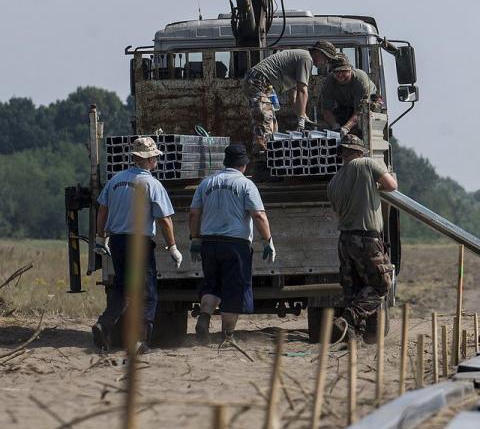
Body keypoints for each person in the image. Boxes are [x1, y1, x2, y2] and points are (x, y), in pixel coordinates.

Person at [92, 136, 182, 353]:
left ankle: (104, 324)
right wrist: (172, 247)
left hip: (119, 242)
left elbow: (102, 209)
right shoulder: (152, 184)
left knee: (125, 287)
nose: (156, 162)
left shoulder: (116, 180)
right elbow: (164, 219)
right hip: (139, 244)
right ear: (149, 160)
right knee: (147, 291)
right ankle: (140, 341)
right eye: (154, 158)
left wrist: (100, 236)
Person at [187, 144, 274, 345]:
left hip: (209, 243)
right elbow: (258, 215)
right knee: (234, 290)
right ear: (243, 165)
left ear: (225, 162)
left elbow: (193, 213)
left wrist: (195, 239)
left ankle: (204, 317)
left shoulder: (206, 183)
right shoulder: (246, 185)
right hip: (236, 245)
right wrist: (268, 241)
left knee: (212, 284)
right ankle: (227, 336)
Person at [326, 134, 397, 343]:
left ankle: (353, 338)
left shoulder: (334, 181)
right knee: (381, 284)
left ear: (342, 154)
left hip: (345, 241)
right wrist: (376, 188)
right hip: (366, 239)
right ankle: (348, 319)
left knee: (354, 290)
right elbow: (391, 185)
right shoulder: (367, 164)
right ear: (359, 151)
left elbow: (338, 212)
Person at [242, 40, 339, 172]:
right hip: (258, 82)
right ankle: (261, 167)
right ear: (318, 53)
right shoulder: (306, 59)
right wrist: (301, 118)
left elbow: (293, 97)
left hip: (264, 85)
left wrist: (302, 115)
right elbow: (302, 91)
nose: (325, 63)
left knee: (273, 128)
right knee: (264, 123)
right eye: (326, 58)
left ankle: (270, 163)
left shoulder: (301, 60)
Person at [319, 55, 378, 137]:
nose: (340, 75)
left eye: (343, 71)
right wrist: (335, 126)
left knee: (363, 120)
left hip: (368, 104)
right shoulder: (329, 81)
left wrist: (346, 128)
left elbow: (359, 112)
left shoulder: (360, 80)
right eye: (336, 72)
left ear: (350, 70)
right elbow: (326, 110)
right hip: (346, 106)